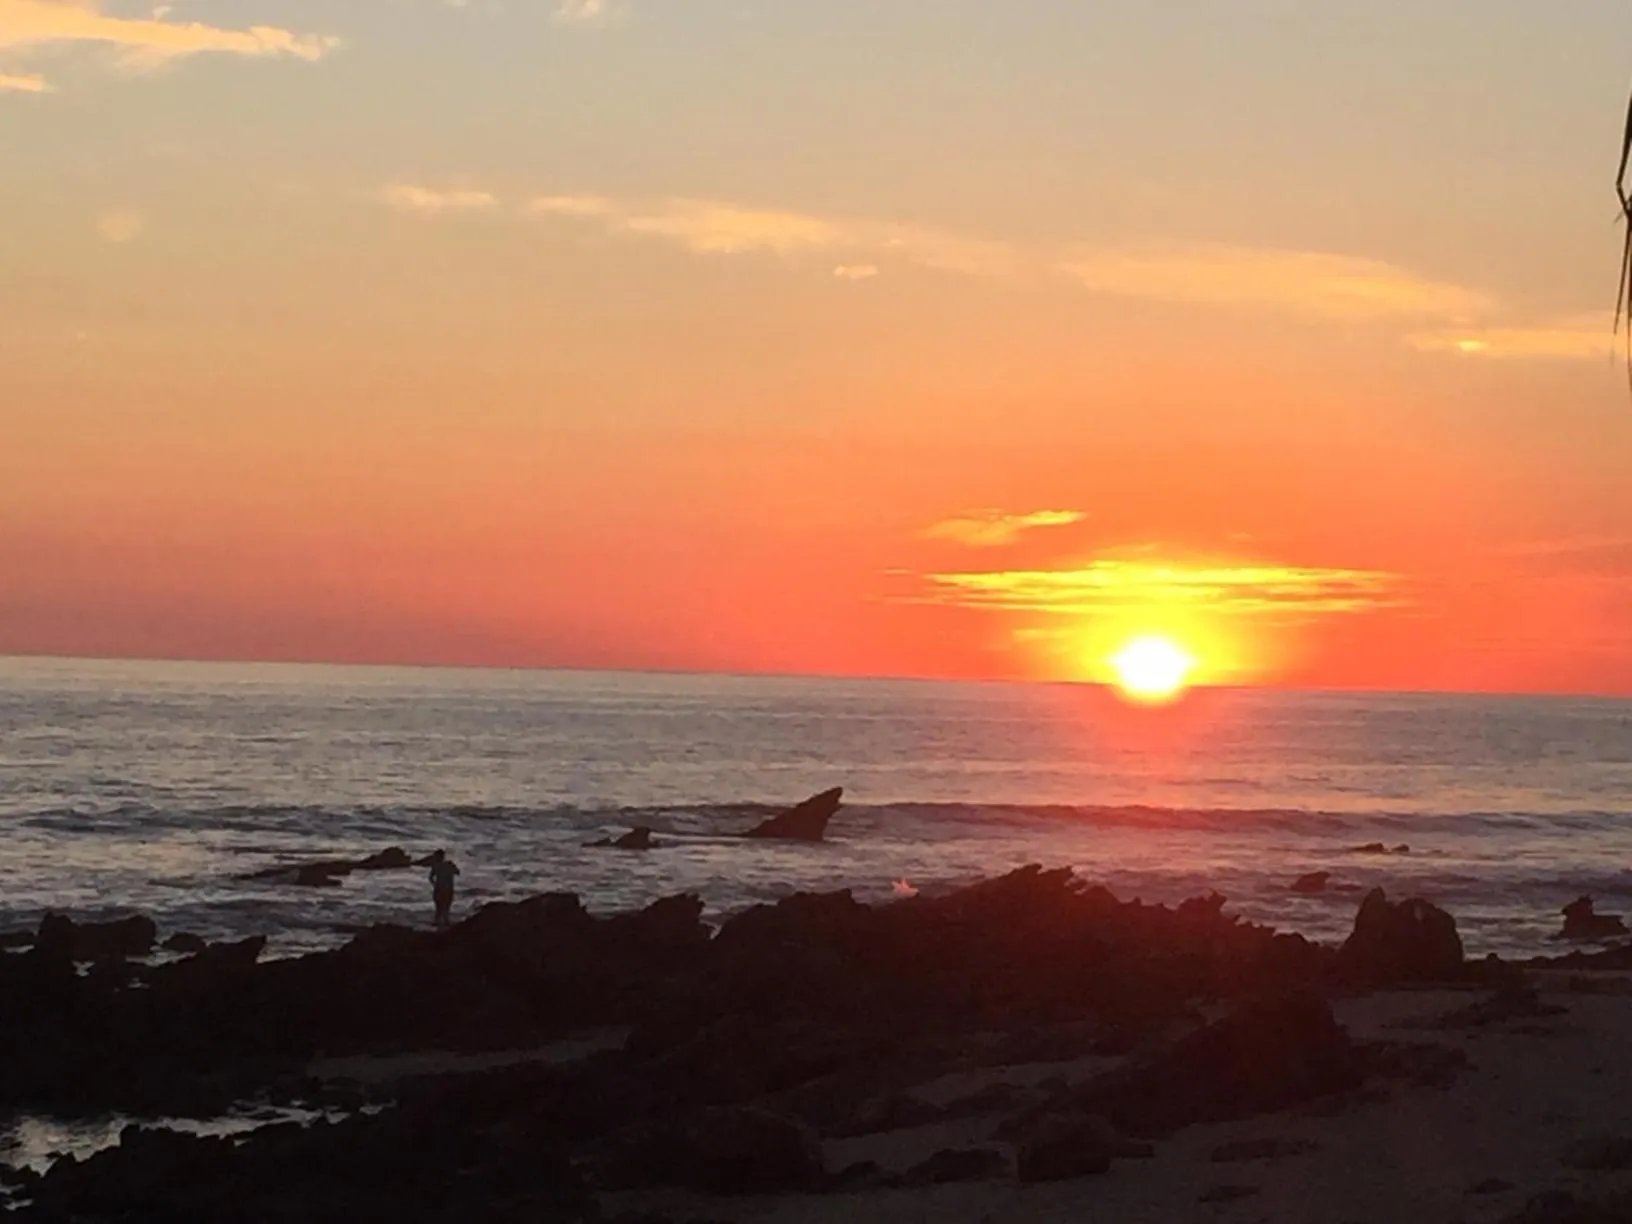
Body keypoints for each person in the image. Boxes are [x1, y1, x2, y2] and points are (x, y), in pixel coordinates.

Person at [427, 850, 460, 928]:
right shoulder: (449, 864)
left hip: (439, 889)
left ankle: (438, 923)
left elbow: (430, 878)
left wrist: (434, 884)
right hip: (447, 888)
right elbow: (458, 872)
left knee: (439, 908)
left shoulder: (436, 865)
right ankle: (444, 923)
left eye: (435, 856)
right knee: (445, 908)